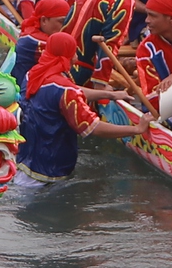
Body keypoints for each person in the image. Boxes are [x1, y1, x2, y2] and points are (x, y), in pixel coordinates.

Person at [17, 32, 148, 183]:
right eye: (73, 54)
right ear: (66, 56)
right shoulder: (65, 90)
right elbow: (93, 128)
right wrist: (136, 129)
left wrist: (109, 95)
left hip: (24, 161)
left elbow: (68, 90)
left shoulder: (32, 75)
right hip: (49, 172)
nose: (76, 59)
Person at [12, 0, 71, 82]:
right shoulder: (34, 40)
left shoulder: (31, 30)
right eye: (61, 22)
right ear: (43, 20)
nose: (65, 26)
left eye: (67, 22)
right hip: (24, 89)